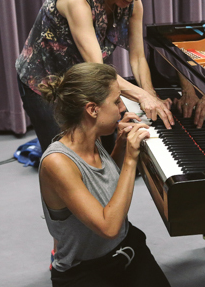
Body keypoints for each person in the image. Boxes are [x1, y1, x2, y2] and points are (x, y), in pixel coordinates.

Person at [16, 0, 175, 153]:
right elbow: (98, 67)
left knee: (99, 152)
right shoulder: (78, 0)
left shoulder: (133, 2)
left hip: (84, 80)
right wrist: (142, 97)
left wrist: (151, 94)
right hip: (44, 82)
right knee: (65, 154)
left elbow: (138, 57)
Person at [38, 62, 171, 287]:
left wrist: (119, 147)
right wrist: (130, 157)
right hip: (85, 271)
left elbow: (103, 185)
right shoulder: (57, 163)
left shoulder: (91, 137)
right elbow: (108, 227)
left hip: (126, 249)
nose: (122, 108)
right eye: (117, 100)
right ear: (92, 109)